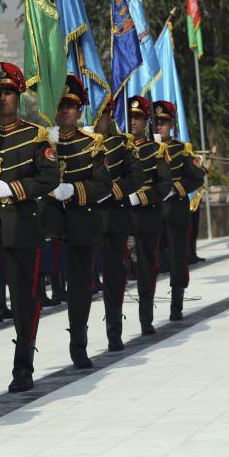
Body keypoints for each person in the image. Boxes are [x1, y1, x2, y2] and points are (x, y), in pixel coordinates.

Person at [0, 62, 60, 390]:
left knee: (24, 298)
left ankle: (24, 367)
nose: (2, 98)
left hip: (21, 218)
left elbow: (50, 176)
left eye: (8, 92)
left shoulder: (34, 135)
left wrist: (18, 189)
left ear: (18, 96)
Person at [41, 76, 111, 368]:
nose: (65, 111)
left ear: (80, 112)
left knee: (80, 288)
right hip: (48, 224)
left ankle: (78, 344)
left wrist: (76, 190)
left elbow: (104, 184)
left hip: (81, 223)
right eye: (61, 106)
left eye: (71, 107)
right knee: (38, 288)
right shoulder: (42, 142)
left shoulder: (92, 144)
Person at [93, 99, 144, 351]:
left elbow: (136, 177)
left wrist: (113, 191)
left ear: (109, 115)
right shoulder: (78, 142)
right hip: (85, 220)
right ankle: (78, 342)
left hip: (114, 219)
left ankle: (114, 331)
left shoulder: (122, 143)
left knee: (114, 278)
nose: (95, 118)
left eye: (100, 113)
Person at [125, 96, 173, 335]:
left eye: (138, 118)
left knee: (146, 270)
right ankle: (115, 328)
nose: (133, 122)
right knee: (118, 273)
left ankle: (146, 319)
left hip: (146, 218)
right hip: (121, 218)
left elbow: (164, 185)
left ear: (146, 121)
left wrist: (142, 198)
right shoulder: (116, 147)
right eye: (130, 117)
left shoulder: (156, 150)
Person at [154, 101, 205, 320]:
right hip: (153, 214)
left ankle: (176, 306)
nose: (159, 127)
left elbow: (197, 177)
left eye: (164, 123)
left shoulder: (182, 150)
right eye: (156, 123)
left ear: (172, 124)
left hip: (176, 213)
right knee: (150, 263)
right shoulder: (146, 149)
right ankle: (147, 312)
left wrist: (177, 189)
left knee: (177, 261)